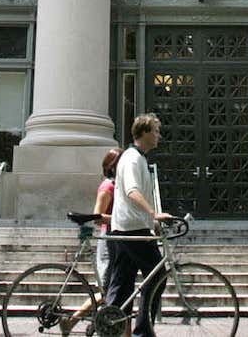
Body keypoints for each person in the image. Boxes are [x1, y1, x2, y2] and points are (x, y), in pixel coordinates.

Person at [104, 112, 174, 337]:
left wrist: (151, 222)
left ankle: (108, 327)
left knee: (122, 285)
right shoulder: (133, 159)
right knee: (156, 277)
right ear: (143, 132)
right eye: (155, 131)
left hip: (126, 228)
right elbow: (132, 192)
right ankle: (143, 332)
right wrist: (154, 214)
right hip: (132, 229)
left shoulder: (136, 158)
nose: (159, 136)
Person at [65, 147, 122, 332]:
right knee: (106, 289)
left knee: (112, 287)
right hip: (109, 240)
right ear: (113, 166)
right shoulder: (108, 187)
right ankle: (72, 321)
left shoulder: (117, 185)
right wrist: (122, 219)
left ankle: (98, 323)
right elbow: (97, 216)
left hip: (117, 239)